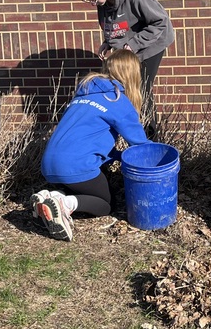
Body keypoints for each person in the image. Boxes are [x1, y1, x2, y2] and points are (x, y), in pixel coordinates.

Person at [33, 50, 150, 241]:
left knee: (79, 185)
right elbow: (141, 145)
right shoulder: (118, 100)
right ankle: (65, 203)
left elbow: (87, 139)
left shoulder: (84, 94)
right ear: (133, 74)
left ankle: (51, 196)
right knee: (105, 204)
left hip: (49, 166)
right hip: (76, 166)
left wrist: (118, 156)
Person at [76, 0, 174, 137]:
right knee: (122, 88)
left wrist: (132, 45)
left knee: (140, 89)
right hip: (128, 48)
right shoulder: (103, 0)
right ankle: (129, 133)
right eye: (88, 1)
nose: (93, 5)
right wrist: (108, 41)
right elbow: (115, 24)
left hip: (149, 46)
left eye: (94, 0)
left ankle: (150, 137)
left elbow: (160, 22)